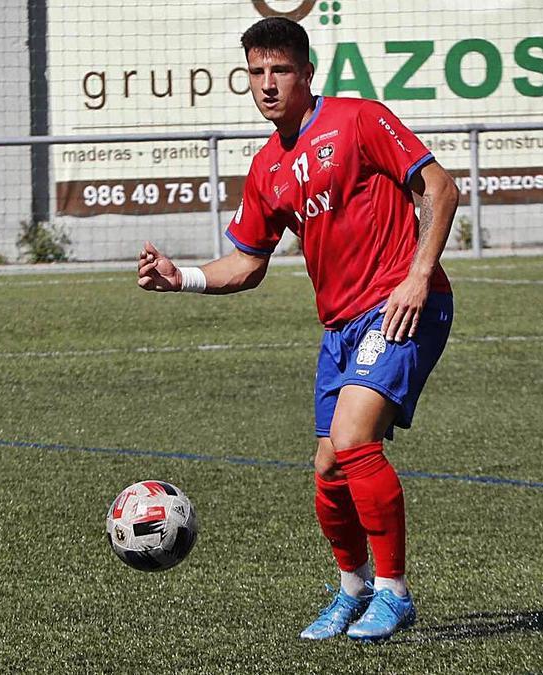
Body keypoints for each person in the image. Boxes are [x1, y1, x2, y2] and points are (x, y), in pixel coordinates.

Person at [138, 17, 459, 641]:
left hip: (401, 305)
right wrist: (183, 279)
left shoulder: (360, 119)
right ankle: (353, 589)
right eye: (256, 73)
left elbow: (440, 190)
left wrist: (419, 276)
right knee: (327, 469)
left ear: (306, 74)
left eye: (279, 70)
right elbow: (248, 263)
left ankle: (394, 593)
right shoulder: (267, 168)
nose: (266, 85)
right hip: (340, 326)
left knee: (352, 439)